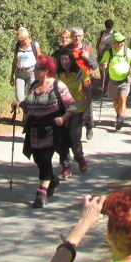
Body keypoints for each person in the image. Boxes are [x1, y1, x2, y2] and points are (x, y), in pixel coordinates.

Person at [16, 55, 73, 208]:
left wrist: (63, 118)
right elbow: (29, 105)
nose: (35, 71)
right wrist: (19, 105)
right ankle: (52, 180)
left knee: (45, 160)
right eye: (35, 68)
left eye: (38, 69)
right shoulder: (34, 85)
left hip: (52, 130)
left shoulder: (58, 86)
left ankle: (41, 194)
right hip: (34, 130)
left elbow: (72, 106)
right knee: (38, 160)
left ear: (47, 70)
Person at [56, 48, 89, 179]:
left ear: (71, 59)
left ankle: (79, 157)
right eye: (62, 59)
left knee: (74, 138)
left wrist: (87, 110)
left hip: (77, 110)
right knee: (61, 139)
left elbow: (88, 91)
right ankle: (65, 166)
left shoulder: (80, 73)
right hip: (62, 111)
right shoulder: (58, 75)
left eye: (67, 59)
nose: (65, 62)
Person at [100, 33, 131, 131]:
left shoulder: (127, 51)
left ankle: (120, 118)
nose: (122, 44)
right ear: (113, 43)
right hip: (113, 80)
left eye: (123, 42)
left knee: (122, 99)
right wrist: (103, 65)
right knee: (116, 100)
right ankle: (118, 115)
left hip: (125, 79)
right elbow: (102, 64)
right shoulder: (109, 53)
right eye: (119, 42)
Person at [69, 28, 98, 140]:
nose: (77, 38)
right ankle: (73, 129)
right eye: (75, 36)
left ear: (83, 36)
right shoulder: (68, 49)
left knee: (87, 105)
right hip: (71, 81)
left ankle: (89, 126)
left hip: (85, 80)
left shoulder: (87, 48)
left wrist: (87, 58)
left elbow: (94, 65)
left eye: (79, 36)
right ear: (72, 36)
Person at [10, 27, 41, 106]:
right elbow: (14, 61)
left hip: (32, 72)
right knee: (19, 97)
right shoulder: (17, 46)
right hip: (19, 73)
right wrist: (12, 76)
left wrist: (40, 74)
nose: (22, 42)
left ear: (27, 37)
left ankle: (27, 116)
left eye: (23, 40)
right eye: (20, 41)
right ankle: (24, 111)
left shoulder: (34, 45)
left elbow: (40, 59)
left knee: (31, 95)